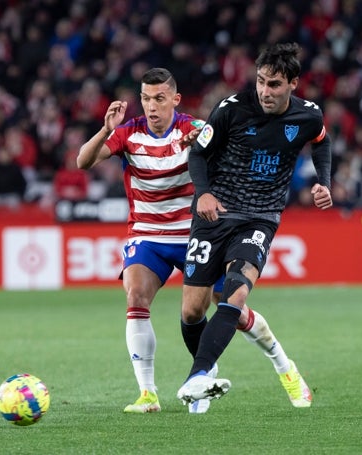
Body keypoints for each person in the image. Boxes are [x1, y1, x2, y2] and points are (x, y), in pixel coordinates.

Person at [176, 43, 333, 410]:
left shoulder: (308, 116)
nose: (265, 90)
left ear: (293, 83)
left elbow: (322, 142)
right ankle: (283, 363)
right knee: (192, 311)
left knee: (234, 294)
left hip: (260, 217)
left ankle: (198, 377)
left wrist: (324, 181)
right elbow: (198, 152)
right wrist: (203, 194)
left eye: (274, 84)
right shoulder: (232, 109)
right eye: (261, 81)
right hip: (214, 215)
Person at [77, 68, 215, 414]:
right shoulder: (128, 133)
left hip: (192, 233)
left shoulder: (190, 128)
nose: (151, 106)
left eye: (159, 98)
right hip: (148, 235)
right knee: (135, 295)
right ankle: (148, 394)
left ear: (175, 100)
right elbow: (83, 161)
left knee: (202, 308)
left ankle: (205, 372)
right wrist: (106, 130)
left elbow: (220, 145)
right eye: (145, 98)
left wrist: (204, 140)